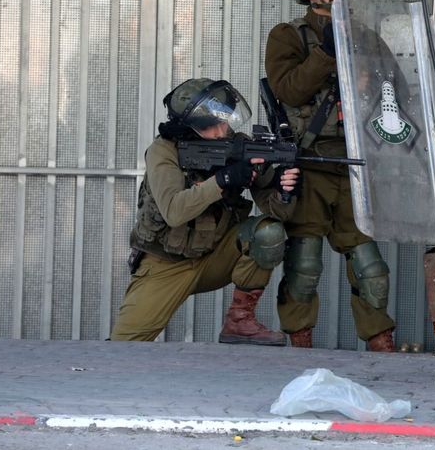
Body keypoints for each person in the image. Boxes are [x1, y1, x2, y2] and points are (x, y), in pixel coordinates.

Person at [264, 0, 396, 352]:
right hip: (310, 163)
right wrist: (326, 53)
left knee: (370, 266)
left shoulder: (366, 37)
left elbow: (396, 95)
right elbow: (288, 89)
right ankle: (299, 343)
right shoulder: (288, 36)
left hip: (356, 164)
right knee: (304, 264)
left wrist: (366, 84)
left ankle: (381, 344)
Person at [111, 78, 299, 345]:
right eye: (212, 126)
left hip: (215, 257)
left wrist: (284, 190)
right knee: (123, 345)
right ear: (190, 127)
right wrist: (222, 181)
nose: (223, 131)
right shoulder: (163, 152)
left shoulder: (237, 146)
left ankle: (239, 321)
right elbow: (174, 211)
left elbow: (277, 212)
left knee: (268, 233)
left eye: (224, 122)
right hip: (166, 264)